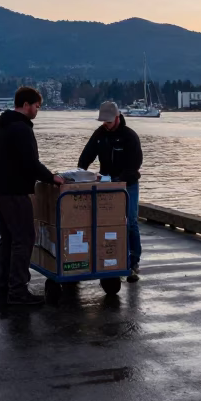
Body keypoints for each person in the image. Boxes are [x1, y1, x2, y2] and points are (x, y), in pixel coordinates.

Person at [0, 86, 63, 305]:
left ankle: (3, 284)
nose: (37, 111)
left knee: (8, 238)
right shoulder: (21, 128)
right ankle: (18, 291)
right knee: (24, 238)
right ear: (26, 105)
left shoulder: (6, 125)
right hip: (14, 190)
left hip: (0, 189)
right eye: (37, 106)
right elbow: (30, 162)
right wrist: (52, 178)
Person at [77, 101, 144, 282]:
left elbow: (135, 164)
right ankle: (109, 257)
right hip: (106, 184)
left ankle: (133, 261)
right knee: (105, 223)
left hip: (128, 184)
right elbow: (87, 154)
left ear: (117, 117)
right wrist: (80, 171)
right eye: (103, 121)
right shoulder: (99, 134)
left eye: (108, 121)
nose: (106, 125)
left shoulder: (130, 136)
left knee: (130, 221)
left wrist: (119, 179)